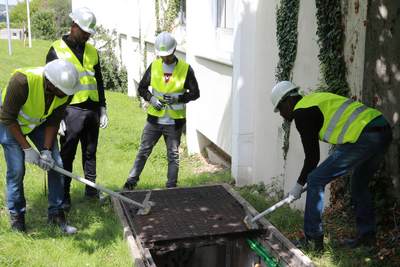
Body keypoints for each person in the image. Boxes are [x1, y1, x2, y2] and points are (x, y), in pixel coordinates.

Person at [270, 81, 392, 251]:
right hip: (382, 130)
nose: (282, 115)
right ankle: (367, 238)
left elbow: (312, 158)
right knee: (358, 184)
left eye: (280, 109)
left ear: (288, 101)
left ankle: (312, 240)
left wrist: (298, 185)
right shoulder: (314, 100)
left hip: (365, 136)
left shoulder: (302, 113)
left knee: (315, 179)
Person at [0, 59, 80, 234]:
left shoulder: (66, 90)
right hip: (9, 123)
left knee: (56, 164)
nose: (65, 94)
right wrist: (27, 149)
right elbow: (7, 118)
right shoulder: (21, 82)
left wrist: (46, 150)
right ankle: (17, 217)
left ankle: (56, 214)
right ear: (50, 83)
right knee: (16, 169)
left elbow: (53, 120)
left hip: (39, 123)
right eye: (62, 91)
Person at [46, 7, 108, 211]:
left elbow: (98, 81)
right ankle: (64, 196)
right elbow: (50, 85)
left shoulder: (92, 51)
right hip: (69, 111)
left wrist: (103, 108)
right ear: (74, 27)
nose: (87, 36)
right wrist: (58, 117)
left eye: (90, 33)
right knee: (67, 154)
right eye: (84, 32)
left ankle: (91, 191)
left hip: (91, 109)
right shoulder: (56, 49)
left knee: (90, 152)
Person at [123, 32, 200, 190]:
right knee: (143, 150)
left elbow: (195, 93)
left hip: (174, 122)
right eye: (162, 55)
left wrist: (179, 98)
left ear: (174, 50)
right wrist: (151, 99)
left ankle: (171, 187)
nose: (165, 58)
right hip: (154, 119)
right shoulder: (155, 66)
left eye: (168, 55)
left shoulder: (185, 69)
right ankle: (131, 182)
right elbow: (142, 88)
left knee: (173, 155)